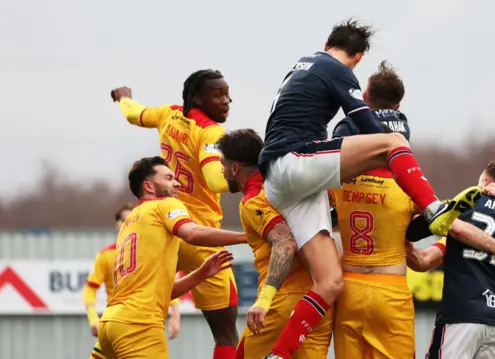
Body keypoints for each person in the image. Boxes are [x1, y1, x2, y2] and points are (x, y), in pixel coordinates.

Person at [257, 19, 477, 359]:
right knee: (392, 141)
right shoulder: (337, 69)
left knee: (330, 282)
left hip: (281, 181)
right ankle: (435, 208)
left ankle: (279, 354)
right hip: (295, 162)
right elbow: (366, 126)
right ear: (358, 57)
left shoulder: (300, 67)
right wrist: (394, 154)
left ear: (327, 41)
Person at [110, 69, 240, 359]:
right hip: (199, 236)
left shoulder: (168, 114)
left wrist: (123, 98)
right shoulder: (212, 133)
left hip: (161, 230)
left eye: (227, 94)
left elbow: (134, 114)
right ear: (197, 98)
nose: (227, 101)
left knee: (138, 303)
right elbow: (217, 180)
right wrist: (248, 174)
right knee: (226, 335)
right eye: (218, 95)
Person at [97, 156, 246, 359]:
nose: (176, 183)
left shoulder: (130, 221)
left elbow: (162, 292)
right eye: (168, 177)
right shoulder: (164, 205)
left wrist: (201, 274)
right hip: (139, 326)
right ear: (149, 186)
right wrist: (246, 237)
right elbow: (191, 233)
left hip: (111, 324)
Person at [407, 162, 495, 359]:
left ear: (487, 182)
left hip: (463, 315)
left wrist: (396, 236)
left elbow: (426, 255)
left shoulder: (463, 210)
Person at [216, 129, 333, 359]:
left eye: (223, 164)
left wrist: (264, 300)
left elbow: (285, 243)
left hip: (283, 301)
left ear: (234, 168)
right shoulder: (290, 187)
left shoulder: (254, 200)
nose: (221, 171)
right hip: (319, 302)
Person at [330, 61, 419, 359]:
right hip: (390, 288)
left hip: (349, 285)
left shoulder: (338, 189)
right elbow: (435, 220)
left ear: (364, 96)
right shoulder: (407, 191)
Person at [86, 206, 183, 359]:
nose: (128, 224)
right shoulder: (106, 255)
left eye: (131, 220)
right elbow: (90, 290)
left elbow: (167, 283)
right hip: (123, 322)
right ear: (117, 225)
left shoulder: (149, 251)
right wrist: (93, 319)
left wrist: (176, 315)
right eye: (124, 220)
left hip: (133, 324)